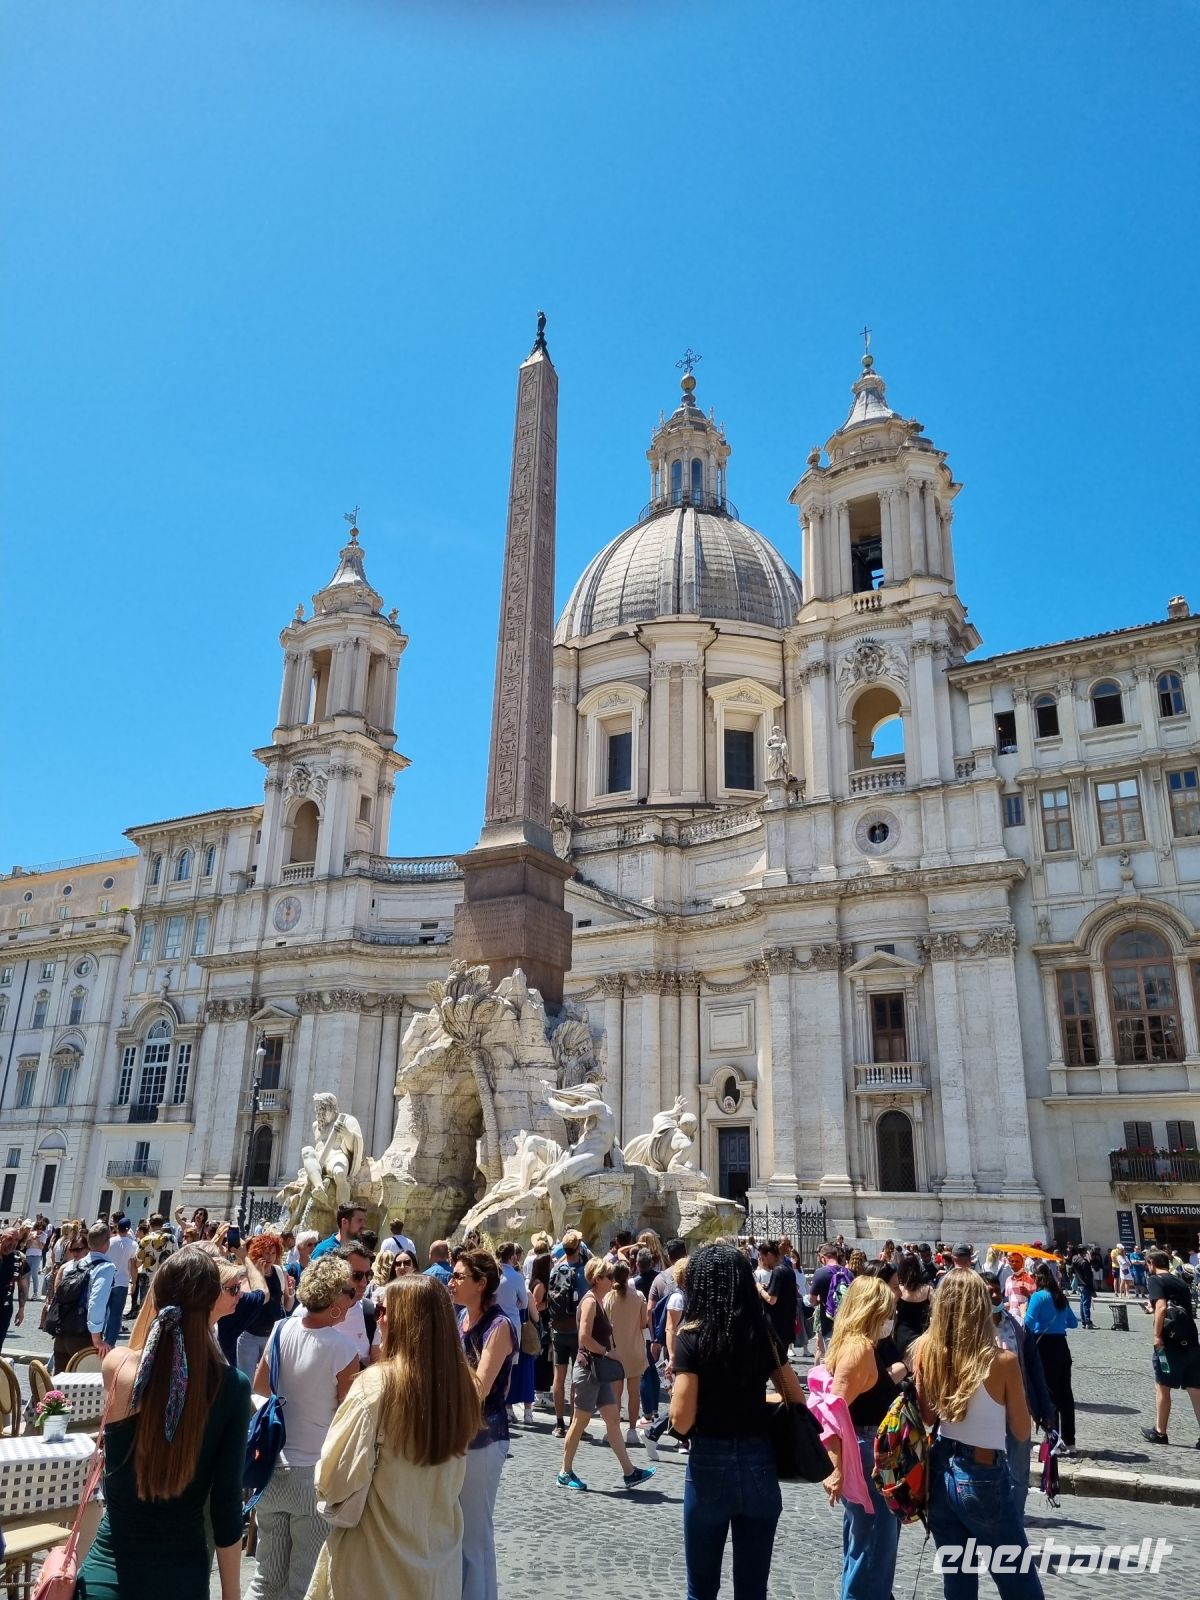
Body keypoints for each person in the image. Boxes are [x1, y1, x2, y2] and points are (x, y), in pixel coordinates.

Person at [75, 1247, 252, 1600]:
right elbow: (226, 1506)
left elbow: (150, 1348)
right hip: (179, 1577)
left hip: (107, 1574)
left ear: (155, 1296)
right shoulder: (231, 1387)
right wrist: (231, 1594)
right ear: (211, 1302)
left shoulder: (119, 1368)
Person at [307, 1276, 480, 1600]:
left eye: (384, 1309)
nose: (378, 1317)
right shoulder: (464, 1387)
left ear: (404, 1320)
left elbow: (335, 1479)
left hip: (374, 1567)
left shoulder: (376, 1387)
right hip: (438, 1566)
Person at [670, 1243, 805, 1600]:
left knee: (701, 1590)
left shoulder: (692, 1336)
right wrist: (755, 1401)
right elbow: (796, 1397)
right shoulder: (761, 1332)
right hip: (759, 1461)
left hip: (709, 1462)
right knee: (752, 1590)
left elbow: (681, 1421)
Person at [914, 1269, 1043, 1599]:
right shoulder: (1002, 1361)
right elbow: (1021, 1429)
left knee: (958, 1581)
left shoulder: (927, 1350)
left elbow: (928, 1417)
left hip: (940, 1467)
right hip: (983, 1472)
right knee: (1018, 1581)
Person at [248, 1255, 360, 1600]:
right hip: (313, 1473)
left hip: (272, 1468)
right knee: (304, 1583)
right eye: (349, 1291)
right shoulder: (344, 1349)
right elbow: (348, 1416)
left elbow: (259, 1390)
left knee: (266, 1578)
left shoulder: (281, 1330)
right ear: (335, 1301)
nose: (353, 1295)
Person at [814, 1276, 904, 1600]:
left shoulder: (858, 1345)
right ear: (871, 1310)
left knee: (868, 1549)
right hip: (869, 1457)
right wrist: (836, 1469)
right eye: (887, 1311)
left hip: (872, 1453)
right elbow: (830, 1414)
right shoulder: (859, 1349)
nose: (891, 1319)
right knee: (872, 1552)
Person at [450, 1248, 517, 1600]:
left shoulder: (499, 1325)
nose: (452, 1281)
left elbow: (481, 1386)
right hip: (459, 1435)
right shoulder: (460, 1317)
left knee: (474, 1534)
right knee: (459, 1532)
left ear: (481, 1283)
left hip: (485, 1437)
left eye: (459, 1276)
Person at [558, 1256, 655, 1492]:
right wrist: (608, 1352)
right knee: (580, 1421)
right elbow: (583, 1338)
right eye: (609, 1276)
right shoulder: (591, 1302)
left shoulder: (599, 1300)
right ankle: (564, 1471)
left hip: (597, 1369)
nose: (613, 1280)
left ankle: (629, 1472)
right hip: (589, 1369)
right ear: (598, 1278)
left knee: (612, 1420)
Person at [979, 1272, 1055, 1522]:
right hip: (985, 1412)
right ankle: (989, 1521)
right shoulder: (971, 1330)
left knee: (1018, 1474)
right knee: (986, 1471)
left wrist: (1045, 1408)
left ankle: (1014, 1521)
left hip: (1018, 1408)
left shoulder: (1017, 1325)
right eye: (987, 1290)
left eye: (996, 1289)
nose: (993, 1294)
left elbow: (1035, 1370)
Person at [1140, 1247, 1200, 1446]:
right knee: (1195, 1388)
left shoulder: (1155, 1280)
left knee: (1163, 1387)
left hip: (1170, 1343)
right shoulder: (1179, 1281)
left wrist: (1157, 1336)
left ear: (1151, 1263)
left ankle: (1160, 1432)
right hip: (1191, 1340)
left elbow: (1163, 1307)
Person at [1024, 1262, 1077, 1455]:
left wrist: (1024, 1312)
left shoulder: (1038, 1297)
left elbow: (1027, 1324)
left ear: (1037, 1278)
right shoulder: (1059, 1296)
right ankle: (1070, 1442)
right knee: (1066, 1396)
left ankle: (1051, 1441)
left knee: (1049, 1395)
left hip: (1044, 1346)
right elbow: (1073, 1322)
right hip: (1062, 1347)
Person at [547, 1229, 589, 1437]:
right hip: (577, 1330)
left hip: (558, 1329)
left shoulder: (556, 1270)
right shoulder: (584, 1272)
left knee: (559, 1376)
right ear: (579, 1247)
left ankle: (558, 1424)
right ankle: (574, 1423)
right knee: (576, 1378)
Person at [237, 1232, 293, 1379]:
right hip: (249, 1335)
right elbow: (257, 1301)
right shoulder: (248, 1273)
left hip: (271, 1335)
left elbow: (287, 1306)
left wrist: (291, 1293)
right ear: (258, 1252)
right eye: (266, 1253)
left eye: (273, 1253)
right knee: (247, 1380)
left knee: (269, 1381)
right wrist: (259, 1277)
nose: (270, 1257)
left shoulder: (280, 1272)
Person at [604, 1258, 648, 1442]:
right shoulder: (639, 1296)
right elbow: (643, 1323)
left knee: (615, 1392)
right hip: (635, 1348)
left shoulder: (608, 1298)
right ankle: (631, 1430)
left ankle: (613, 1430)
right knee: (634, 1392)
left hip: (615, 1350)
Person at [497, 1241, 534, 1425]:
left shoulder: (493, 1273)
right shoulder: (516, 1277)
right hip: (512, 1324)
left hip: (493, 1322)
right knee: (508, 1368)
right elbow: (525, 1303)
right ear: (513, 1257)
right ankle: (503, 1407)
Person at [755, 1239, 799, 1360]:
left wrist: (759, 1288)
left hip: (778, 1325)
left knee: (777, 1362)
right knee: (779, 1361)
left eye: (762, 1257)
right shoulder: (788, 1269)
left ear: (769, 1255)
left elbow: (771, 1299)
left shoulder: (778, 1271)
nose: (762, 1261)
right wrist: (768, 1288)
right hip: (787, 1323)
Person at [528, 1245, 555, 1414]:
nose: (553, 1264)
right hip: (541, 1325)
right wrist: (551, 1302)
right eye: (550, 1261)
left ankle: (541, 1392)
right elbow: (537, 1305)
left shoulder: (540, 1282)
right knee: (542, 1358)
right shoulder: (541, 1285)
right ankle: (539, 1393)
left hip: (542, 1324)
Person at [105, 1216, 138, 1342]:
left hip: (108, 1280)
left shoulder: (110, 1242)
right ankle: (110, 1342)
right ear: (129, 1229)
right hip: (122, 1282)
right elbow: (133, 1266)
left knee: (103, 1311)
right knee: (116, 1315)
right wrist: (134, 1282)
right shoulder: (133, 1245)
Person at [809, 1242, 841, 1357]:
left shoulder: (820, 1273)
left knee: (831, 1356)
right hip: (845, 1320)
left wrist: (818, 1301)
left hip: (828, 1320)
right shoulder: (848, 1273)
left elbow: (812, 1300)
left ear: (823, 1258)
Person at [0, 1227, 29, 1354]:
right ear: (1, 1237)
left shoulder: (19, 1259)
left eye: (16, 1240)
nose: (12, 1243)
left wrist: (21, 1309)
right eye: (10, 1238)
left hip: (4, 1309)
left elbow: (23, 1286)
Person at [1067, 1245, 1096, 1330]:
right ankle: (1088, 1322)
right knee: (1086, 1304)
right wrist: (1092, 1289)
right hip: (1085, 1285)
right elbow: (1088, 1278)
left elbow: (1071, 1270)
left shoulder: (1074, 1258)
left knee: (1082, 1303)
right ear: (1083, 1252)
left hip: (1079, 1284)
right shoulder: (1084, 1262)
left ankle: (1084, 1322)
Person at [1004, 1252, 1036, 1322]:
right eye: (1012, 1261)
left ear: (1022, 1263)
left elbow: (1035, 1301)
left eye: (1017, 1261)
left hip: (1025, 1319)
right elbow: (1009, 1301)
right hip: (1012, 1319)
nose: (1014, 1263)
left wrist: (1027, 1294)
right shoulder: (1008, 1280)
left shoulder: (1030, 1280)